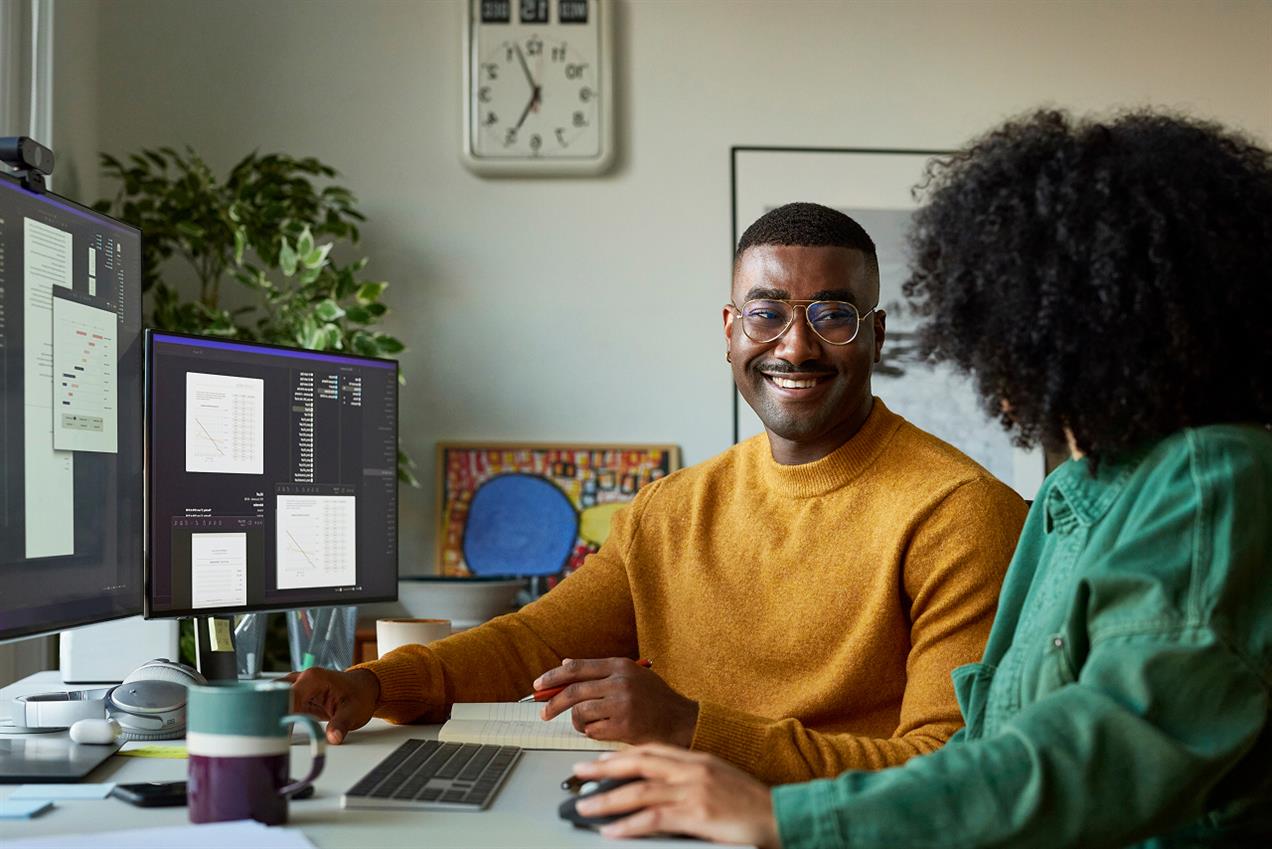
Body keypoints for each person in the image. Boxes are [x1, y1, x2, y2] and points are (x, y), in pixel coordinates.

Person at [570, 110, 1272, 847]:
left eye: (1012, 312)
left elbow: (1093, 761)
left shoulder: (1212, 479)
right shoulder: (1073, 495)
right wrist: (733, 784)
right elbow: (981, 752)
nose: (989, 346)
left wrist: (776, 814)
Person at [287, 202, 1027, 785]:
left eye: (832, 315)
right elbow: (533, 643)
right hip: (674, 821)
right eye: (767, 314)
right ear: (731, 331)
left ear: (877, 336)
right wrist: (371, 685)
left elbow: (945, 767)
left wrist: (691, 727)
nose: (796, 346)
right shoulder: (672, 509)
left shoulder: (960, 511)